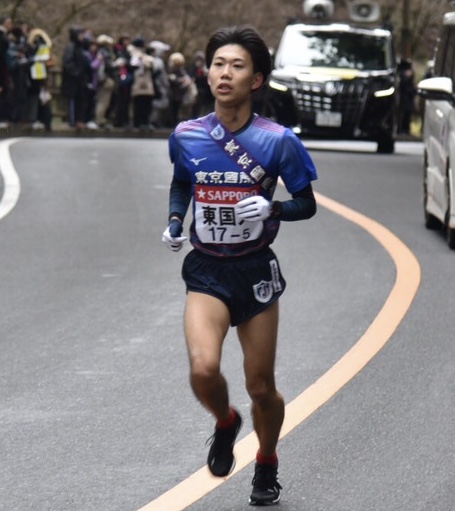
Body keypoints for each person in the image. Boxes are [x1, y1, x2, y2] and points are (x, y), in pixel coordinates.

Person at [162, 25, 318, 506]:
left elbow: (306, 204)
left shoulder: (277, 141)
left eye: (237, 66)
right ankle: (226, 422)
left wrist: (272, 209)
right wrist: (174, 220)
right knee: (204, 369)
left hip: (254, 272)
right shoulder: (186, 135)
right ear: (206, 73)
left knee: (260, 384)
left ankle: (266, 460)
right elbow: (182, 184)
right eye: (217, 64)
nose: (224, 74)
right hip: (207, 269)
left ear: (256, 80)